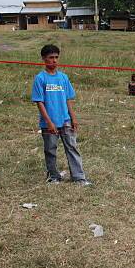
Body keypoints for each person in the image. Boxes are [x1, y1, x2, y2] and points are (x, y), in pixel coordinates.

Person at [31, 44, 91, 186]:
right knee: (50, 150)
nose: (54, 60)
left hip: (65, 120)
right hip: (49, 122)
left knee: (72, 147)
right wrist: (49, 122)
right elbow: (39, 102)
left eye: (56, 57)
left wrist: (73, 118)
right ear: (44, 59)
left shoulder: (63, 78)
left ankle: (79, 177)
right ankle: (53, 176)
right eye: (51, 58)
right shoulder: (40, 79)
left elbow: (68, 99)